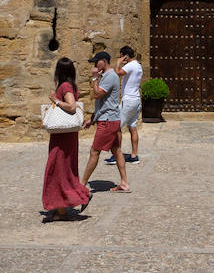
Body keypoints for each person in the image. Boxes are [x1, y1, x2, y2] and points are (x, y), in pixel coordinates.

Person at [42, 57, 91, 221]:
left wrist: (55, 100)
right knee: (62, 171)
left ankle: (81, 195)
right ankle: (61, 210)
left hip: (63, 137)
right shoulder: (70, 85)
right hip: (65, 136)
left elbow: (71, 106)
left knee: (58, 169)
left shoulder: (65, 86)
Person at [81, 50, 130, 193]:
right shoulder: (107, 76)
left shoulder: (109, 76)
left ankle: (81, 185)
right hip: (111, 119)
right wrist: (92, 119)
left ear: (104, 60)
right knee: (116, 150)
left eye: (97, 62)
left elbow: (97, 95)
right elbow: (103, 103)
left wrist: (94, 79)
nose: (95, 65)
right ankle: (124, 183)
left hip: (108, 121)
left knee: (94, 151)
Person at [105, 46, 143, 165]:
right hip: (136, 100)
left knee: (117, 126)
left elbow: (117, 73)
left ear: (125, 56)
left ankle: (116, 155)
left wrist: (118, 63)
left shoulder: (130, 65)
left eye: (121, 56)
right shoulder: (138, 65)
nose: (121, 58)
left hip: (129, 100)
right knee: (132, 126)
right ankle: (134, 155)